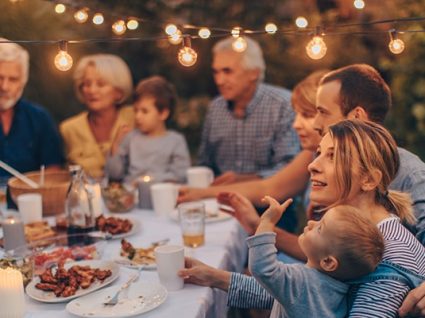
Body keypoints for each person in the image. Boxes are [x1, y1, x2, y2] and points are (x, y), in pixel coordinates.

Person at [179, 120, 425, 317]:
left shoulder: (389, 259)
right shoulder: (348, 234)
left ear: (369, 180)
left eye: (333, 156)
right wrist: (214, 277)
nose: (312, 165)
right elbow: (303, 293)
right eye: (318, 153)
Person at [248, 196, 384, 317]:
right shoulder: (339, 292)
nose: (311, 223)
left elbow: (263, 268)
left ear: (328, 262)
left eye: (320, 228)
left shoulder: (301, 282)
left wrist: (266, 223)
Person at [197, 36, 300, 185]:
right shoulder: (215, 108)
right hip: (219, 202)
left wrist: (243, 180)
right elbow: (204, 163)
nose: (219, 81)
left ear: (254, 73)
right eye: (216, 72)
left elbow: (290, 167)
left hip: (272, 204)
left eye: (227, 71)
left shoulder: (283, 105)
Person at [60, 54, 134, 179]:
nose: (92, 90)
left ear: (118, 91)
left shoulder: (135, 117)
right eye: (87, 84)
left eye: (101, 84)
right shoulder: (69, 129)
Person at [105, 75, 190, 184]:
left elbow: (180, 174)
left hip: (162, 193)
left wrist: (148, 181)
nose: (138, 116)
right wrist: (115, 146)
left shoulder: (175, 141)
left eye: (144, 111)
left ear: (163, 113)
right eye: (136, 110)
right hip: (132, 194)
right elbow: (114, 173)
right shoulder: (131, 138)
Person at [0, 38, 64, 178]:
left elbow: (53, 168)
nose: (4, 87)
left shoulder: (39, 118)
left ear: (23, 81)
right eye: (0, 77)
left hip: (28, 197)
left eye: (13, 79)